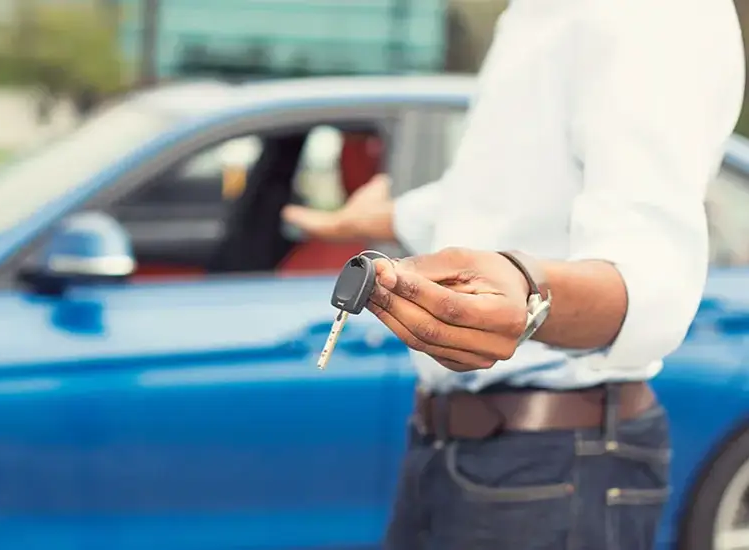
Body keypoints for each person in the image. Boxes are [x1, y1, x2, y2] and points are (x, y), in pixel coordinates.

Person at [283, 0, 745, 548]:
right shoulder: (529, 16)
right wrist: (389, 217)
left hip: (557, 460)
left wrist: (528, 290)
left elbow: (650, 281)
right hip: (449, 445)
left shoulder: (654, 13)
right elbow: (504, 198)